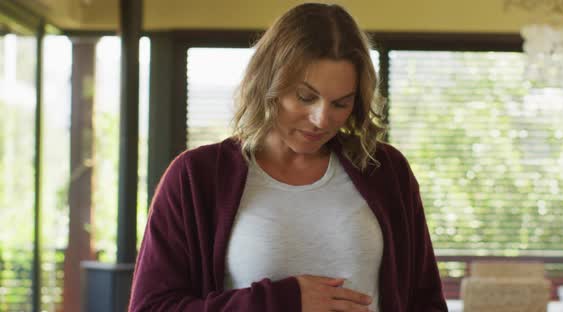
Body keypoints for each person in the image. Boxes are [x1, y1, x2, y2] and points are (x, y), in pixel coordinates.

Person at [129, 3, 447, 312]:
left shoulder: (385, 170)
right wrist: (280, 302)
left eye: (340, 103)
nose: (322, 119)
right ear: (268, 83)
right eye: (305, 97)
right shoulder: (195, 177)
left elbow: (426, 302)